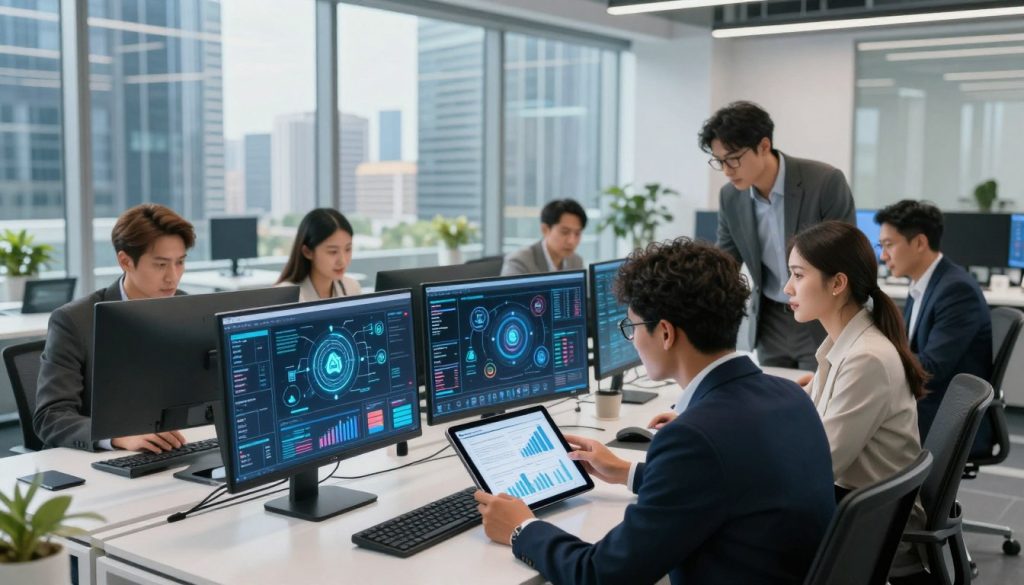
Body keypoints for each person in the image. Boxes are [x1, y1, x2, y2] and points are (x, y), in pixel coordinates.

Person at [476, 237, 836, 585]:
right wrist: (626, 472)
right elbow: (730, 482)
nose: (632, 339)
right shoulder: (789, 396)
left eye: (631, 326)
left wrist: (522, 529)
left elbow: (602, 574)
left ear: (665, 333)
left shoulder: (693, 438)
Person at [785, 220, 929, 582]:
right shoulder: (845, 344)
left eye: (798, 275)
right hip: (859, 509)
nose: (788, 287)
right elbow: (803, 414)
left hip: (869, 526)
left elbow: (821, 464)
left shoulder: (866, 357)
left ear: (837, 283)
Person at [701, 100, 855, 369]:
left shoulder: (824, 182)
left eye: (734, 158)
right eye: (719, 161)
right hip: (771, 321)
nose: (726, 170)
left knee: (817, 403)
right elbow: (724, 262)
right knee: (775, 398)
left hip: (820, 316)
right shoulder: (731, 197)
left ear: (763, 146)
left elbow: (847, 257)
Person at [34, 204, 196, 452]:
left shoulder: (188, 309)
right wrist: (117, 437)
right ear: (125, 261)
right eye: (161, 265)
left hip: (174, 446)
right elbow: (51, 416)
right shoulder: (74, 321)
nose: (173, 277)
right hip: (96, 460)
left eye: (180, 263)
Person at [875, 200, 991, 441]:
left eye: (889, 245)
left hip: (946, 413)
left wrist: (871, 365)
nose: (883, 256)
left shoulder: (956, 289)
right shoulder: (922, 283)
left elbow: (932, 368)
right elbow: (910, 351)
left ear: (919, 243)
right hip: (929, 402)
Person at [277, 208, 362, 302]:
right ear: (307, 252)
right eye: (333, 251)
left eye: (348, 249)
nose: (343, 261)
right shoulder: (285, 296)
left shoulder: (352, 287)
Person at [501, 199, 586, 276]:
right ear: (545, 229)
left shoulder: (576, 261)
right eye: (565, 232)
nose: (571, 241)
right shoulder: (520, 261)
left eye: (577, 233)